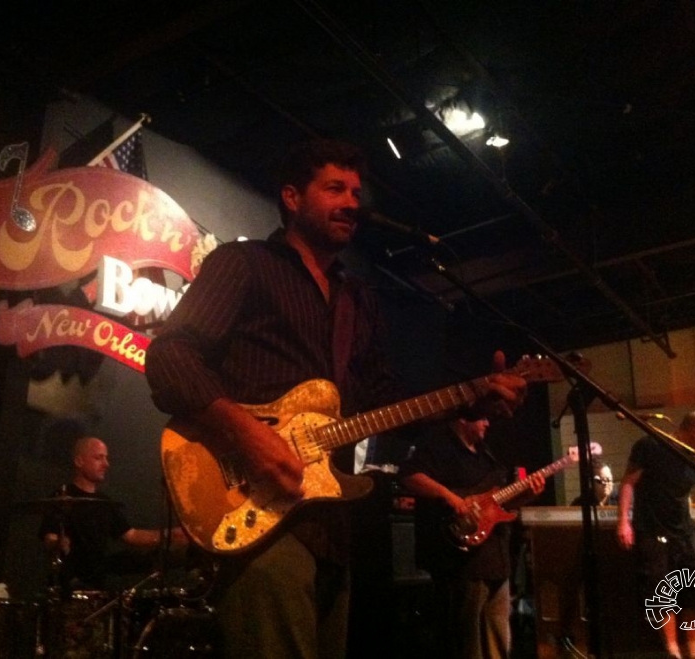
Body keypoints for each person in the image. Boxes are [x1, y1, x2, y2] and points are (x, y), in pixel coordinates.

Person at [143, 137, 528, 659]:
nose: (352, 202)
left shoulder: (357, 298)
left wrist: (470, 400)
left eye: (356, 190)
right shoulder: (244, 263)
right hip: (255, 518)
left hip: (331, 527)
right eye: (335, 188)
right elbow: (169, 357)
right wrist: (247, 434)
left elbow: (383, 400)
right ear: (291, 197)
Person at [399, 413, 545, 659]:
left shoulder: (486, 454)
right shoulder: (437, 445)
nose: (488, 423)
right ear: (462, 420)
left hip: (496, 557)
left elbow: (501, 505)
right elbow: (409, 476)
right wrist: (450, 497)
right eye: (482, 419)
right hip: (462, 561)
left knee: (498, 635)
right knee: (467, 640)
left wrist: (528, 495)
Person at [616, 410, 695, 659]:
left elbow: (682, 492)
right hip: (653, 528)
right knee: (662, 591)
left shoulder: (693, 456)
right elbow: (628, 482)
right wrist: (623, 521)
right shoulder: (650, 445)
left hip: (683, 531)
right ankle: (672, 649)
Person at [39, 435, 162, 594]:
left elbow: (132, 535)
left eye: (106, 458)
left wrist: (173, 535)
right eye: (99, 458)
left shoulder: (104, 502)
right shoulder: (62, 497)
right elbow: (50, 537)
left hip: (98, 587)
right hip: (67, 588)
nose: (106, 464)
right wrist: (58, 543)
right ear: (79, 461)